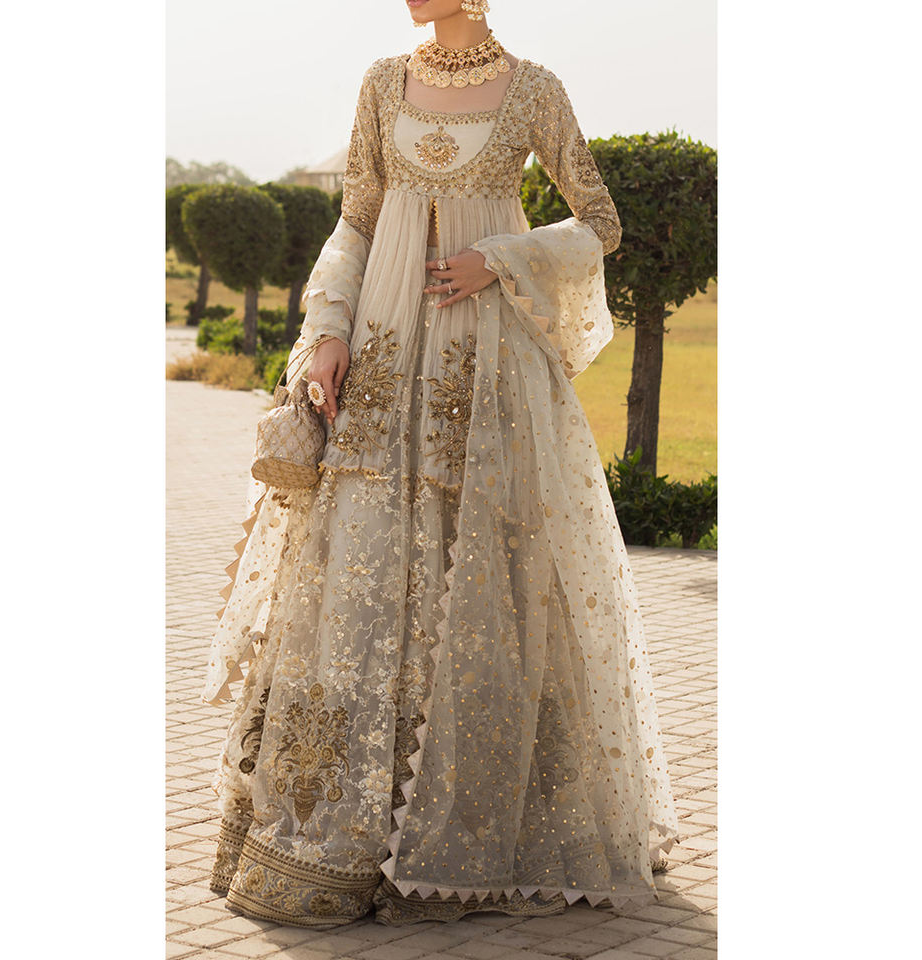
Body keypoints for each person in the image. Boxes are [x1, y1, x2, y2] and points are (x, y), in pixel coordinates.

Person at [200, 0, 679, 929]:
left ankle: (468, 831)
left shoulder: (534, 91)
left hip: (487, 369)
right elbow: (355, 221)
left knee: (488, 567)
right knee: (361, 570)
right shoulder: (383, 83)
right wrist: (327, 333)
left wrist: (500, 256)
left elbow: (600, 221)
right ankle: (337, 831)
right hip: (381, 358)